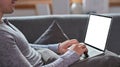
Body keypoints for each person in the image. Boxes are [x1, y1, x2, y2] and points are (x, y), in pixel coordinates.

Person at [0, 0, 120, 67]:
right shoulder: (2, 36)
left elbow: (25, 47)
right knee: (111, 60)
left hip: (51, 59)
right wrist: (70, 56)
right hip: (53, 63)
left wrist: (57, 47)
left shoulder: (3, 23)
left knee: (104, 54)